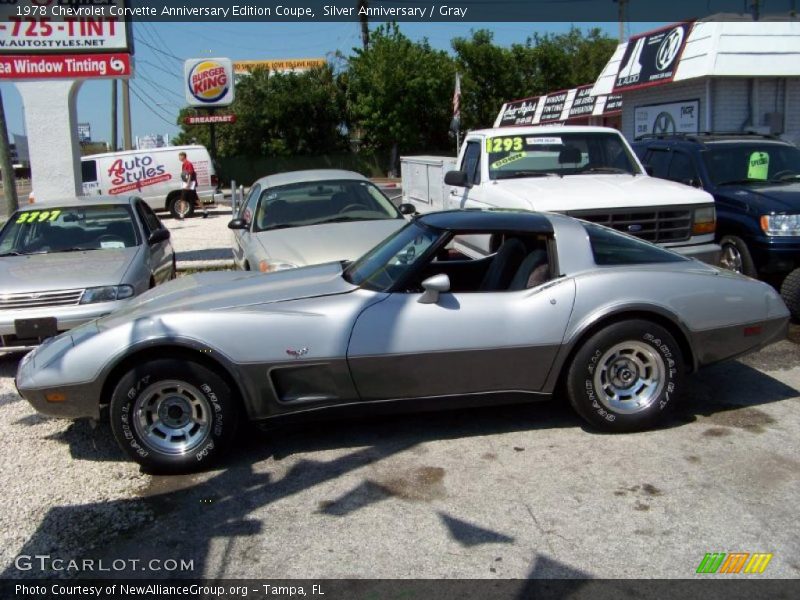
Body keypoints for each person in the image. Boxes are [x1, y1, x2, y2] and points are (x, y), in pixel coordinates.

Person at [178, 151, 207, 219]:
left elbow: (190, 174)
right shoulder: (183, 164)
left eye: (180, 156)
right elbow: (184, 174)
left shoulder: (188, 164)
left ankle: (182, 214)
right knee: (195, 199)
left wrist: (188, 183)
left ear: (183, 156)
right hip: (186, 183)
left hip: (189, 184)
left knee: (183, 198)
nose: (179, 158)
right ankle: (205, 211)